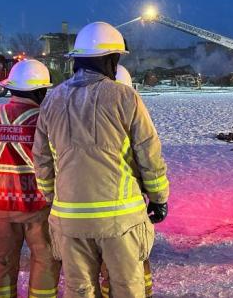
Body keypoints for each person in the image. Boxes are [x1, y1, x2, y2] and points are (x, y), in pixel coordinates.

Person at [34, 22, 169, 298]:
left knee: (79, 290)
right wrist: (158, 197)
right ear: (110, 59)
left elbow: (42, 158)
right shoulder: (125, 96)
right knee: (126, 288)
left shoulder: (52, 100)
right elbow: (149, 153)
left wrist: (51, 196)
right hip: (120, 222)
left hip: (69, 221)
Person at [0, 59, 61, 298]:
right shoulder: (47, 119)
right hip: (40, 208)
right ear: (40, 91)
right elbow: (60, 161)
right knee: (45, 261)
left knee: (1, 263)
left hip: (0, 208)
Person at [100, 65, 155, 298]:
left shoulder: (80, 114)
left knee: (101, 266)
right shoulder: (131, 110)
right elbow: (148, 158)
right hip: (126, 209)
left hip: (85, 210)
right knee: (134, 264)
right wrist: (158, 197)